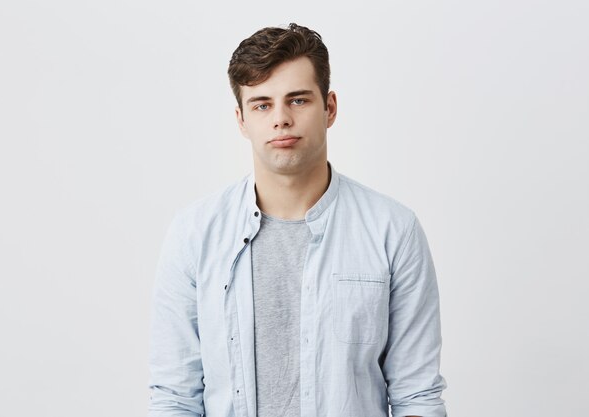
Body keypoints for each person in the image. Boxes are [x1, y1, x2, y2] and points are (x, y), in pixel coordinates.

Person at [148, 22, 447, 417]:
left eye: (299, 100)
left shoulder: (393, 231)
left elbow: (417, 397)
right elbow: (174, 398)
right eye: (262, 104)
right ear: (241, 119)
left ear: (330, 108)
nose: (281, 119)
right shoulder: (194, 234)